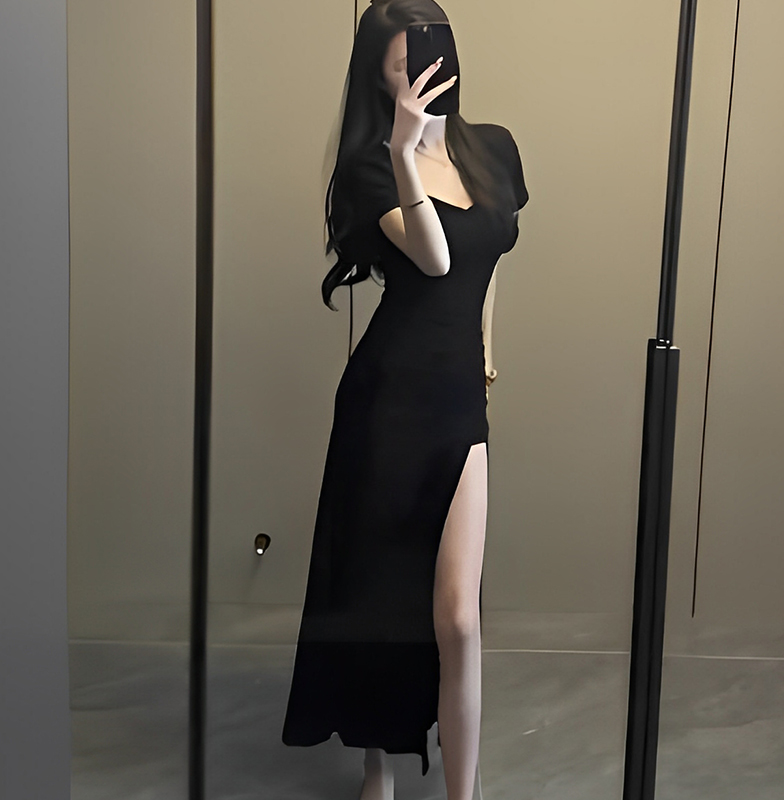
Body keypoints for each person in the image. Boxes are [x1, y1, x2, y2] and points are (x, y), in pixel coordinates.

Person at [281, 2, 528, 799]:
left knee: (458, 617)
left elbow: (487, 265)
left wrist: (488, 355)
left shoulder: (493, 148)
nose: (420, 72)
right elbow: (435, 257)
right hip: (388, 400)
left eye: (429, 53)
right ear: (377, 77)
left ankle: (463, 793)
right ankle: (377, 764)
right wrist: (403, 149)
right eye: (400, 64)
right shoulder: (369, 169)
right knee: (379, 593)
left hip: (458, 397)